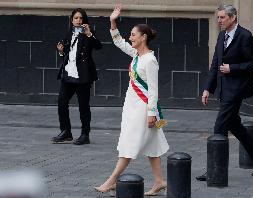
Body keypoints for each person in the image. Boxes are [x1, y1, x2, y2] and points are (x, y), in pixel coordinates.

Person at [94, 5, 169, 196]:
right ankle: (159, 180)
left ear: (143, 37)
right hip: (133, 106)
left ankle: (111, 181)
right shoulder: (137, 55)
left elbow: (153, 90)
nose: (131, 37)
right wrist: (113, 22)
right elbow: (119, 42)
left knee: (129, 143)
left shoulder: (150, 60)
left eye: (134, 35)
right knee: (152, 145)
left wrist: (152, 113)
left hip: (142, 110)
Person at [196, 4, 253, 181]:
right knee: (234, 125)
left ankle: (213, 169)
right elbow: (215, 64)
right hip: (223, 88)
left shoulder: (245, 36)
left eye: (222, 17)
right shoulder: (222, 35)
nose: (219, 20)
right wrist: (207, 88)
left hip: (237, 89)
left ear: (233, 18)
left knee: (219, 127)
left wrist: (233, 68)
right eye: (218, 17)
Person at [51, 8, 102, 145]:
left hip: (83, 75)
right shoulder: (68, 33)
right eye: (76, 18)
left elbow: (98, 46)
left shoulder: (88, 34)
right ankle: (66, 131)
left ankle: (85, 134)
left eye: (81, 18)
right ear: (72, 20)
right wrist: (61, 52)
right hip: (68, 73)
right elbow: (68, 54)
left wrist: (90, 34)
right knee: (62, 102)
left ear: (84, 20)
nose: (78, 20)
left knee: (83, 105)